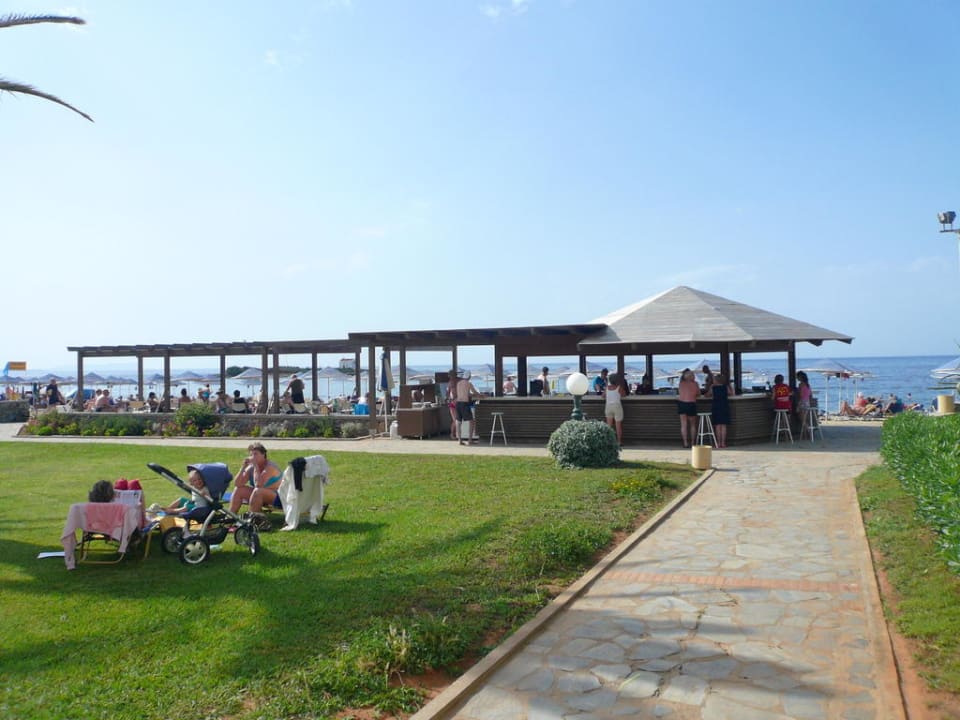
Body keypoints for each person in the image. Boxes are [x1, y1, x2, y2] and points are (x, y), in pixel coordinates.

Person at [229, 442, 282, 514]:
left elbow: (259, 485)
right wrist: (243, 468)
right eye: (251, 455)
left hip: (278, 498)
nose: (253, 457)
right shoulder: (251, 467)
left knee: (258, 491)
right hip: (258, 495)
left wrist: (256, 466)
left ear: (263, 454)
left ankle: (251, 519)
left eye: (255, 454)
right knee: (239, 490)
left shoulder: (270, 467)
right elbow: (237, 483)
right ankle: (231, 516)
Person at [455, 370, 482, 445]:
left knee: (458, 422)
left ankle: (459, 440)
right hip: (464, 404)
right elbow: (474, 392)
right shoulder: (468, 383)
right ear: (469, 376)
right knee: (472, 422)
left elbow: (464, 393)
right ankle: (470, 440)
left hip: (458, 404)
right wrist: (480, 395)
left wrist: (471, 395)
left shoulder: (458, 383)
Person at [677, 368, 700, 448]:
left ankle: (685, 443)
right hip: (691, 403)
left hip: (682, 403)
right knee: (692, 425)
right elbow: (698, 394)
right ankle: (693, 442)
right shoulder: (695, 384)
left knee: (683, 424)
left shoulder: (681, 383)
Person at [710, 373, 733, 448]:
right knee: (723, 426)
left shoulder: (713, 387)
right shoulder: (725, 387)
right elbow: (731, 393)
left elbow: (707, 395)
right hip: (724, 406)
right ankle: (723, 443)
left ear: (716, 380)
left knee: (717, 425)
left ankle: (718, 443)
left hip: (716, 407)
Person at [604, 372, 626, 446]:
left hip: (608, 406)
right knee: (618, 425)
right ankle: (619, 441)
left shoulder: (607, 388)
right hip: (617, 406)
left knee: (609, 426)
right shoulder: (619, 387)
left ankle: (608, 441)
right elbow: (624, 395)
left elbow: (602, 396)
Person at [446, 371, 460, 440]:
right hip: (453, 402)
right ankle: (453, 434)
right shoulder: (450, 383)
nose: (451, 377)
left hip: (457, 402)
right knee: (455, 419)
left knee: (456, 419)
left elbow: (448, 393)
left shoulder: (458, 380)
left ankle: (455, 434)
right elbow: (448, 393)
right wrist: (449, 399)